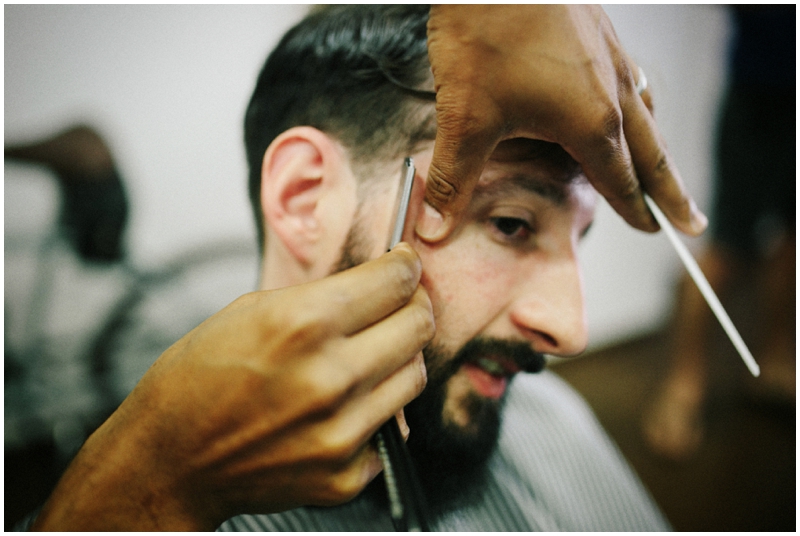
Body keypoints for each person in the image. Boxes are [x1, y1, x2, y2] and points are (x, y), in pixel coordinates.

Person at [27, 5, 680, 530]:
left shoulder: (552, 420)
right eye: (510, 225)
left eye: (578, 239)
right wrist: (146, 489)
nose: (571, 331)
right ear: (306, 198)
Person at [643, 5, 795, 460]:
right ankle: (683, 386)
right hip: (763, 91)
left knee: (792, 240)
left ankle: (775, 363)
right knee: (727, 248)